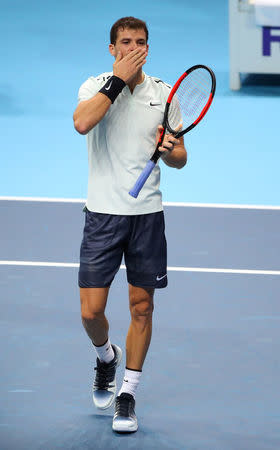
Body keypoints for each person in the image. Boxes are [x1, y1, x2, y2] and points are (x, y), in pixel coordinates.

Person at [73, 16, 187, 433]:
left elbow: (180, 157)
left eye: (140, 42)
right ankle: (106, 357)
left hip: (147, 218)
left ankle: (128, 393)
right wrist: (117, 81)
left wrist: (170, 149)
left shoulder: (164, 94)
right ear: (112, 49)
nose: (133, 48)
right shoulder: (95, 86)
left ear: (148, 47)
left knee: (142, 306)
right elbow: (82, 123)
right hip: (103, 214)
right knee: (92, 312)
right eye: (125, 42)